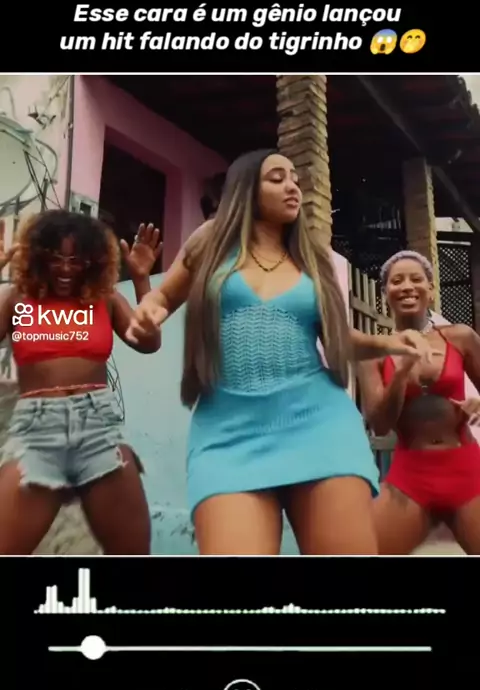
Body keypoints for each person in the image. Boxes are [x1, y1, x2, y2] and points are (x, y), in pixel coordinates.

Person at [126, 150, 433, 556]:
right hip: (228, 431)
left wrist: (390, 343)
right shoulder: (211, 241)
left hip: (319, 424)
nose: (292, 187)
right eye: (277, 178)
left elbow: (337, 338)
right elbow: (164, 298)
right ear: (246, 189)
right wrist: (149, 311)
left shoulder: (311, 258)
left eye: (295, 180)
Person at [0, 211, 162, 555]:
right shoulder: (17, 299)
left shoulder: (104, 299)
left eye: (76, 260)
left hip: (98, 428)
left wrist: (141, 280)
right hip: (36, 431)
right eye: (55, 258)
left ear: (92, 261)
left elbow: (148, 342)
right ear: (38, 256)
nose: (65, 269)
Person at [357, 249, 480, 554]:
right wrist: (401, 371)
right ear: (385, 292)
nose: (407, 287)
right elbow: (380, 425)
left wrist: (478, 404)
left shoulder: (460, 337)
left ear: (431, 288)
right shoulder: (373, 353)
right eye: (397, 281)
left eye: (416, 279)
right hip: (410, 476)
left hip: (466, 469)